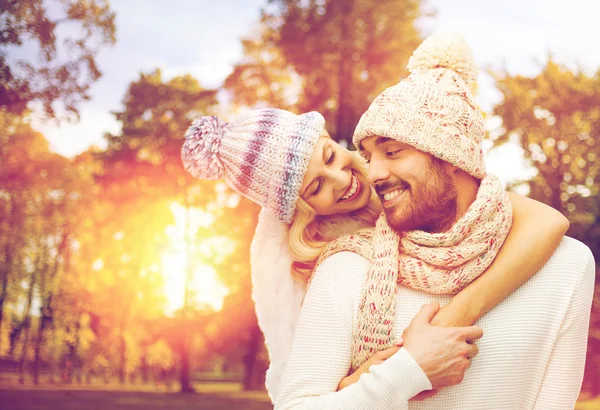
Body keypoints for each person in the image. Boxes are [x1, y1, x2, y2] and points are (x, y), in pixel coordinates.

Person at [180, 47, 568, 404]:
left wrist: (457, 316)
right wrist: (386, 372)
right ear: (302, 210)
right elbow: (310, 392)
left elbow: (547, 221)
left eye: (329, 156)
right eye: (316, 187)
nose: (342, 180)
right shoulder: (331, 266)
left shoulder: (410, 186)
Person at [271, 30, 596, 409]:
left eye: (392, 151)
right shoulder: (346, 269)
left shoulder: (567, 265)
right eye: (369, 156)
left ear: (450, 156)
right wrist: (406, 372)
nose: (372, 173)